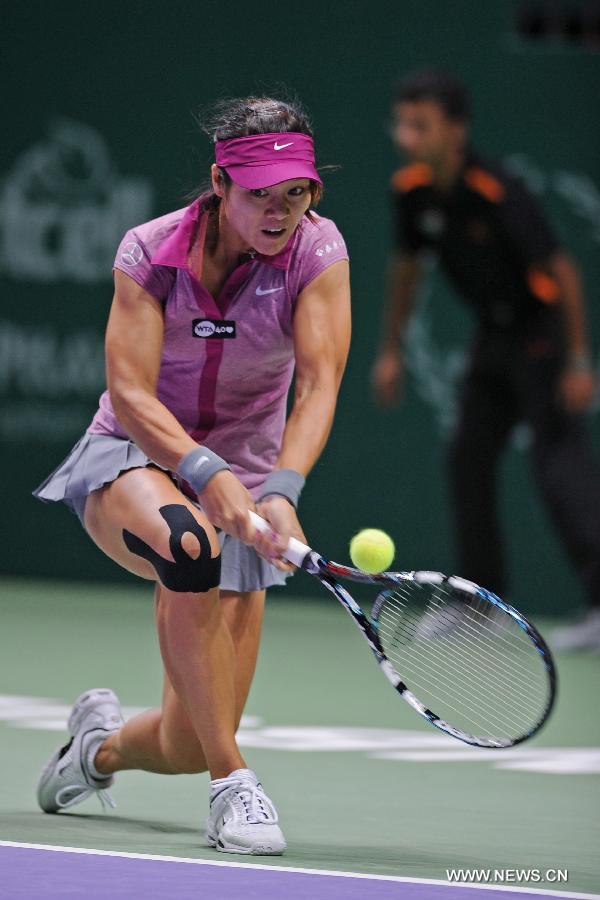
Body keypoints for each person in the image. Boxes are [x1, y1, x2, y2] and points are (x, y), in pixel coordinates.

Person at [33, 96, 351, 854]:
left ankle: (96, 751)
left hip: (244, 474)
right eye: (258, 194)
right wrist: (205, 473)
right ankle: (234, 787)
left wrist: (280, 488)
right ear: (218, 182)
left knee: (186, 739)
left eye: (295, 193)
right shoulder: (149, 252)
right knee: (187, 543)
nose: (278, 212)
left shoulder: (317, 252)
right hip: (133, 459)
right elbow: (130, 393)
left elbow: (319, 384)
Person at [371, 70, 600, 651]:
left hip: (541, 336)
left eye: (420, 125)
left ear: (455, 130)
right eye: (402, 123)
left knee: (558, 467)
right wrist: (391, 350)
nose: (406, 135)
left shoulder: (498, 190)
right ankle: (480, 604)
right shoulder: (413, 191)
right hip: (492, 339)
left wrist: (577, 359)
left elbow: (564, 274)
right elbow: (404, 271)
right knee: (467, 457)